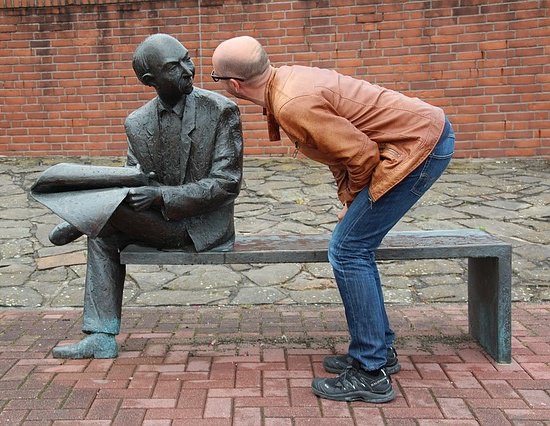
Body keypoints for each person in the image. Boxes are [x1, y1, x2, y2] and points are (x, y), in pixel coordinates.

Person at [211, 36, 455, 404]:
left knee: (348, 249)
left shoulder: (293, 103)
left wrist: (354, 198)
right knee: (353, 244)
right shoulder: (285, 81)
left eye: (217, 78)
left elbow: (361, 155)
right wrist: (349, 199)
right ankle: (377, 350)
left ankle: (370, 372)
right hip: (414, 138)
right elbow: (339, 152)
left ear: (234, 85)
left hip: (418, 146)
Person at [47, 33, 243, 359]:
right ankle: (100, 335)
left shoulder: (221, 111)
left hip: (200, 226)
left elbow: (226, 184)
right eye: (174, 66)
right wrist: (139, 190)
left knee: (100, 221)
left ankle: (77, 220)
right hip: (157, 222)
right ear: (149, 80)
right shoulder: (137, 124)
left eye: (187, 57)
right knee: (103, 228)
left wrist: (159, 196)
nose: (188, 69)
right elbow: (132, 180)